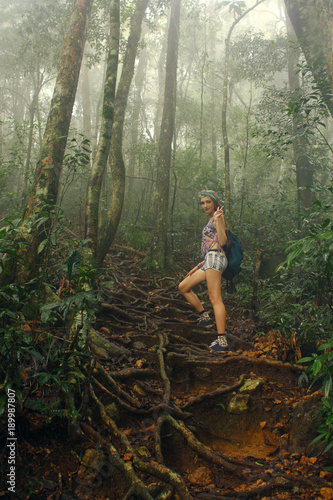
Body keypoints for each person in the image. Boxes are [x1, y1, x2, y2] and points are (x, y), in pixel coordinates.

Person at [178, 190, 229, 352]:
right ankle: (205, 317)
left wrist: (218, 220)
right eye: (202, 203)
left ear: (214, 202)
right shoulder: (211, 219)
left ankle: (222, 340)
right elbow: (210, 246)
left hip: (216, 258)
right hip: (209, 260)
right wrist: (197, 266)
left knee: (215, 299)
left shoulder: (218, 217)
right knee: (183, 286)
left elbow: (222, 241)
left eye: (208, 202)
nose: (205, 205)